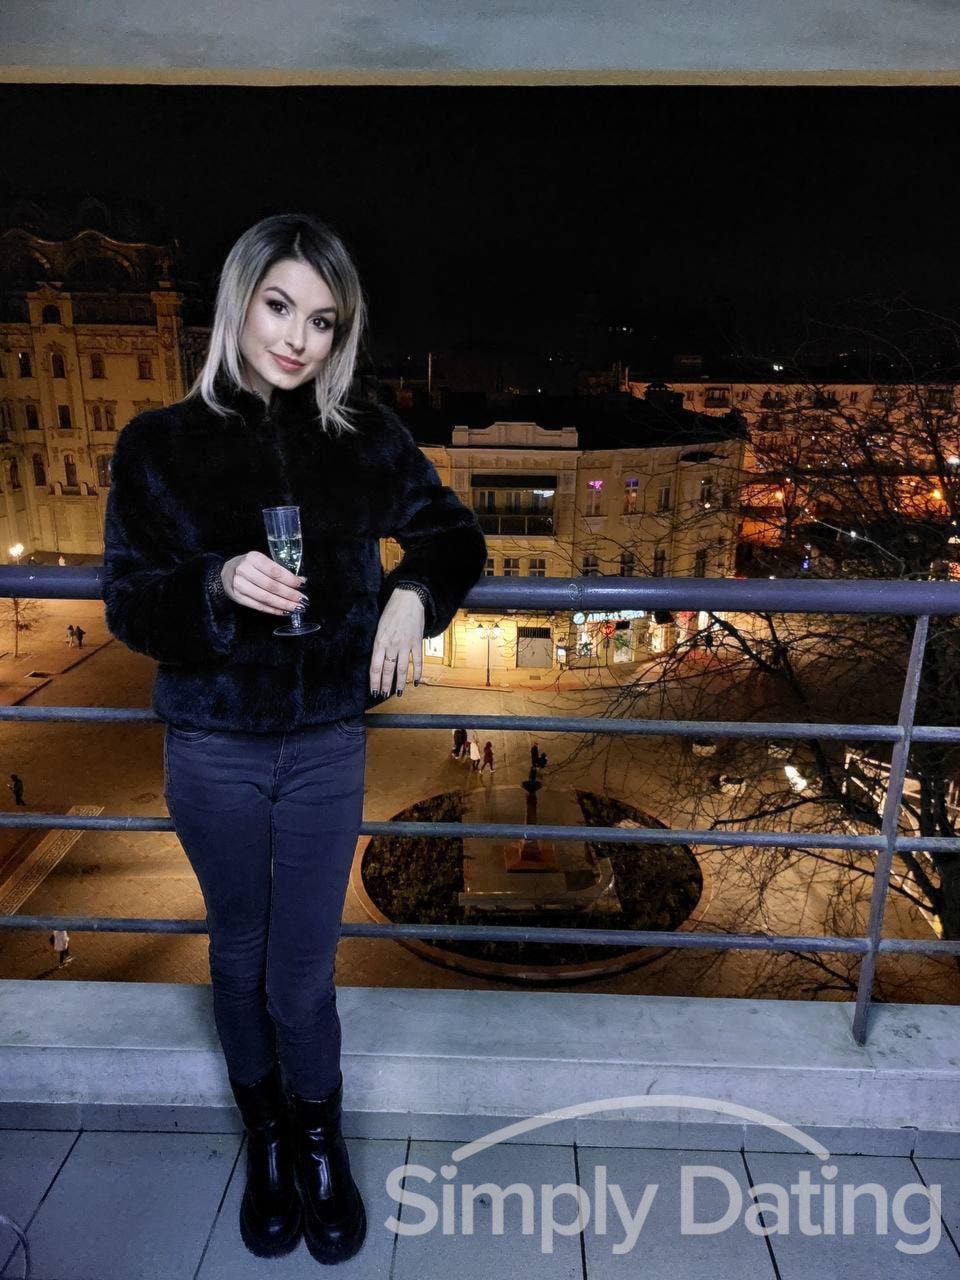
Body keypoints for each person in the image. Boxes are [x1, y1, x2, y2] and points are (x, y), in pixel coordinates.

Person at [101, 214, 487, 1266]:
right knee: (238, 952)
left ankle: (319, 1140)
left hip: (324, 744)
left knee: (303, 973)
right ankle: (266, 1137)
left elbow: (454, 533)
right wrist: (216, 583)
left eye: (322, 320)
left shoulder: (364, 435)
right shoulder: (158, 446)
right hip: (213, 745)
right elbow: (130, 604)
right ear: (239, 302)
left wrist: (413, 594)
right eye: (280, 307)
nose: (298, 338)